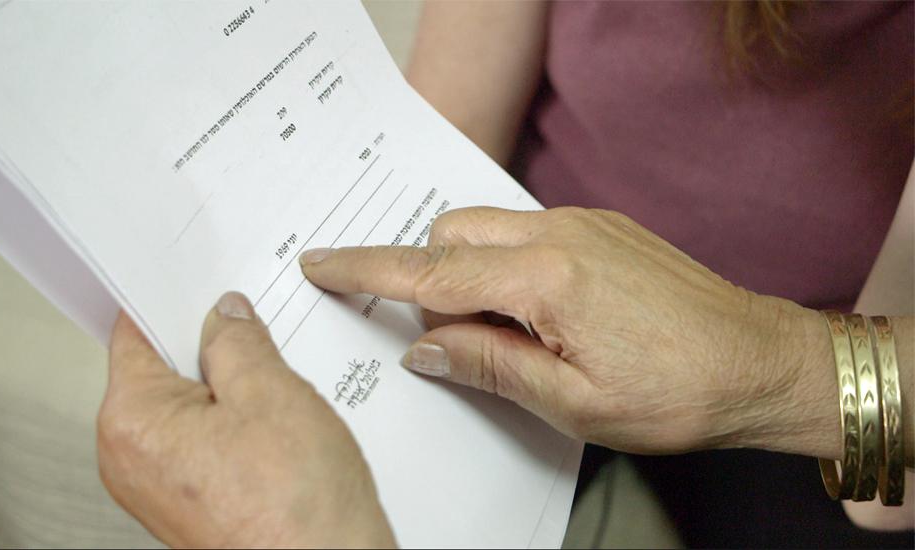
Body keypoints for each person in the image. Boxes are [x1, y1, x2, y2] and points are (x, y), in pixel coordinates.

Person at [97, 1, 914, 547]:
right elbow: (453, 117)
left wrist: (773, 372)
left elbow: (885, 497)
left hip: (823, 357)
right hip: (520, 255)